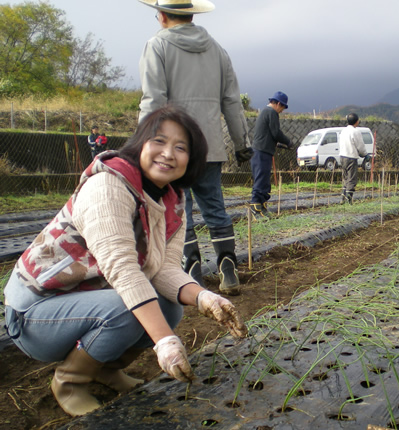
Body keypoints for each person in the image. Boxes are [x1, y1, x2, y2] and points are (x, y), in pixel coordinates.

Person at [3, 106, 248, 417]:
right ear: (140, 144)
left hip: (87, 298)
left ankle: (104, 369)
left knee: (169, 306)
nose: (168, 154)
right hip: (35, 311)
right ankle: (69, 381)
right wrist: (165, 343)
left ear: (192, 158)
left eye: (181, 147)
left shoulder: (172, 201)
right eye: (159, 141)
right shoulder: (108, 186)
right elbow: (123, 270)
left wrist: (204, 297)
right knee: (128, 310)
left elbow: (165, 270)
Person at [138, 0, 252, 296]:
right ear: (192, 16)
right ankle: (228, 267)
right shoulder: (217, 50)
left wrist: (143, 143)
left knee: (179, 208)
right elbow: (232, 102)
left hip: (174, 149)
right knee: (215, 207)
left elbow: (153, 100)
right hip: (210, 146)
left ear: (162, 16)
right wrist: (242, 144)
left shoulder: (157, 46)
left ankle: (191, 270)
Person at [249, 91, 291, 219]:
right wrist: (288, 142)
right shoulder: (271, 112)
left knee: (264, 181)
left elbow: (269, 134)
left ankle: (262, 207)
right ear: (278, 103)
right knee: (261, 180)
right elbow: (275, 132)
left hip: (261, 151)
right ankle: (255, 208)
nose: (282, 111)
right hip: (261, 152)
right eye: (282, 107)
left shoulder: (265, 112)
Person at [339, 113, 368, 205]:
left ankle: (343, 198)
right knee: (352, 178)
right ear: (357, 121)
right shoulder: (356, 132)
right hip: (351, 157)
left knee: (346, 177)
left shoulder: (343, 131)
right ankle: (349, 200)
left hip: (342, 156)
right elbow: (360, 145)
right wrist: (365, 154)